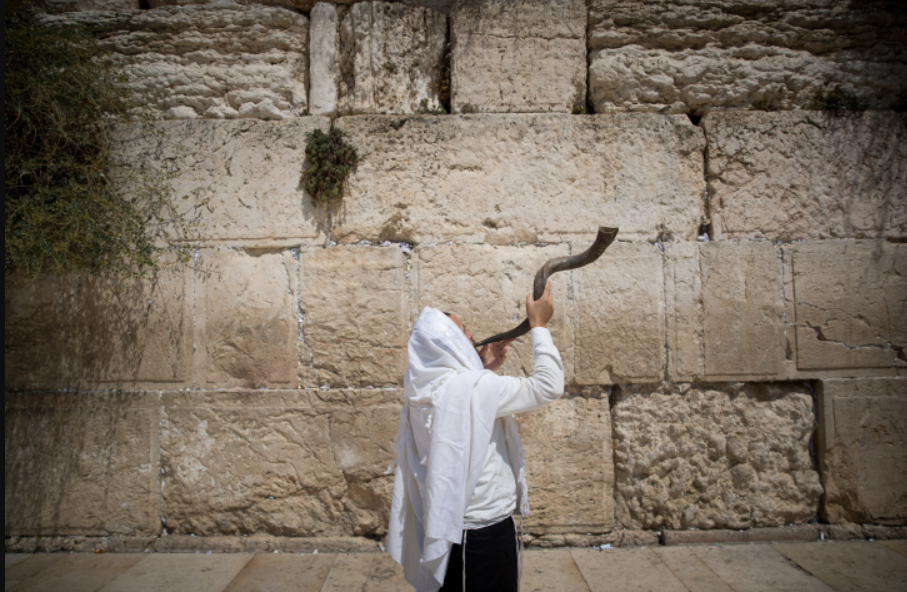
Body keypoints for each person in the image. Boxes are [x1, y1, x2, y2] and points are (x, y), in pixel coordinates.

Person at [387, 281, 565, 592]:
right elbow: (548, 386)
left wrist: (483, 368)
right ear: (448, 343)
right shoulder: (476, 388)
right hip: (481, 533)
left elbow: (461, 410)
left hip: (456, 528)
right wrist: (538, 325)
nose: (471, 336)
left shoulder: (422, 388)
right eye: (463, 332)